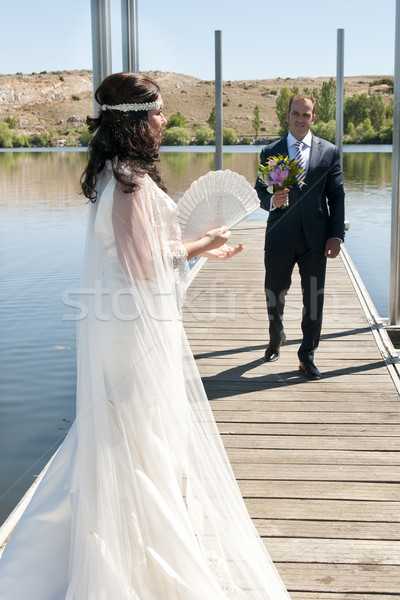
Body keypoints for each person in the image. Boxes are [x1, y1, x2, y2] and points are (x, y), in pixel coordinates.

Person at [0, 72, 291, 599]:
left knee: (122, 437)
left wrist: (203, 247)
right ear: (136, 120)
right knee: (134, 435)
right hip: (133, 332)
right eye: (157, 112)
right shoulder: (130, 180)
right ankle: (133, 556)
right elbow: (141, 265)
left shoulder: (119, 173)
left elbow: (144, 247)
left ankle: (107, 537)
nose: (163, 120)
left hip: (124, 327)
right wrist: (205, 241)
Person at [255, 94, 345, 380]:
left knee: (314, 299)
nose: (301, 119)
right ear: (288, 116)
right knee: (275, 293)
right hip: (280, 234)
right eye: (296, 113)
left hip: (316, 239)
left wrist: (336, 235)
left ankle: (307, 355)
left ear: (313, 118)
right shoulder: (271, 150)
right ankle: (276, 334)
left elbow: (336, 196)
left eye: (306, 115)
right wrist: (272, 199)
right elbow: (259, 191)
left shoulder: (329, 152)